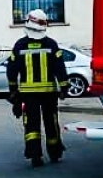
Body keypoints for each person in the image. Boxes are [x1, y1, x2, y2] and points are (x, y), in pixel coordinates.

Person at [6, 9, 67, 168]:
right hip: (49, 93)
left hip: (28, 94)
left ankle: (35, 155)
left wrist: (13, 92)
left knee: (31, 124)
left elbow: (11, 70)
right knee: (51, 122)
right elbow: (60, 68)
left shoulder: (20, 45)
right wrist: (63, 88)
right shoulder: (51, 44)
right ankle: (55, 152)